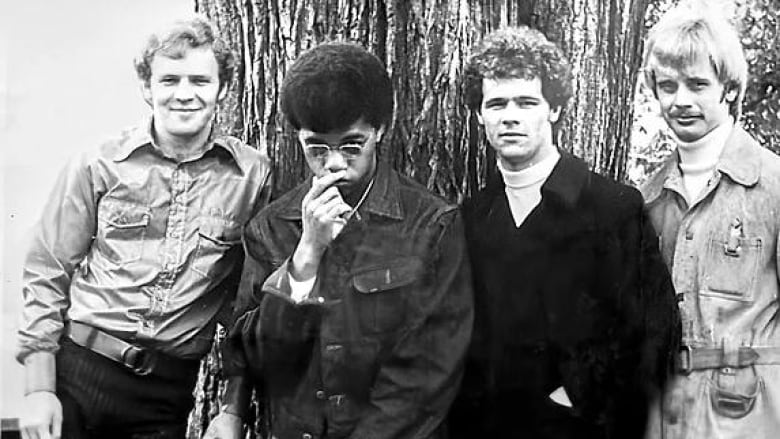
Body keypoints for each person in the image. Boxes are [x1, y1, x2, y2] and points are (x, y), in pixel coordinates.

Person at [16, 17, 271, 439]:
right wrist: (38, 389)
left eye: (200, 81)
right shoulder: (99, 164)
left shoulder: (251, 177)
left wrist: (232, 409)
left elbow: (247, 304)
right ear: (146, 87)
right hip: (78, 373)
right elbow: (46, 269)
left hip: (165, 395)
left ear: (222, 89)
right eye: (169, 79)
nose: (184, 94)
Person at [203, 42, 473, 439]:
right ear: (297, 136)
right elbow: (257, 358)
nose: (333, 163)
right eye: (317, 147)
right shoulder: (271, 227)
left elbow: (428, 373)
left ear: (379, 129)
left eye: (351, 146)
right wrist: (306, 255)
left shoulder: (432, 224)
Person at [448, 26, 680, 438]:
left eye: (527, 101)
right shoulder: (472, 217)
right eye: (497, 103)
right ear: (480, 115)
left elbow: (654, 334)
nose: (511, 116)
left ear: (553, 109)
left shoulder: (612, 208)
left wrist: (580, 403)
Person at [641, 4, 780, 438]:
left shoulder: (773, 186)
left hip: (751, 417)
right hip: (666, 416)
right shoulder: (645, 199)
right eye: (668, 85)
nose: (681, 100)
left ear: (730, 90)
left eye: (698, 84)